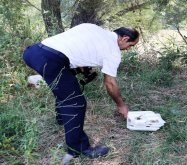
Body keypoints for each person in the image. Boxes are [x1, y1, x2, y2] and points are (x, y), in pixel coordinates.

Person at [23, 23, 139, 158]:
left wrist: (84, 70)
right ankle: (78, 148)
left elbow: (76, 48)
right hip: (51, 60)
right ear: (124, 39)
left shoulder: (93, 28)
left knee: (65, 87)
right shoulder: (113, 51)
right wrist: (121, 105)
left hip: (33, 52)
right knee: (75, 102)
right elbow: (110, 83)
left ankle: (62, 118)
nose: (129, 49)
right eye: (131, 45)